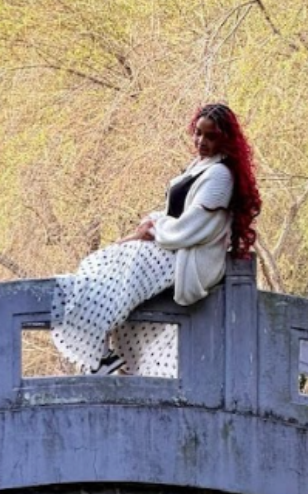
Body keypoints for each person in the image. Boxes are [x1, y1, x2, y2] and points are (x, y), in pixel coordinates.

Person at [50, 103, 261, 377]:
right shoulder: (200, 165)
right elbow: (174, 213)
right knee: (101, 260)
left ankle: (101, 354)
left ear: (224, 139)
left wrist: (154, 228)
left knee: (122, 267)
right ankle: (101, 355)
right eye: (198, 134)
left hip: (187, 257)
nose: (201, 142)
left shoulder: (220, 176)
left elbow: (190, 228)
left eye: (211, 137)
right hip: (172, 246)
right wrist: (147, 226)